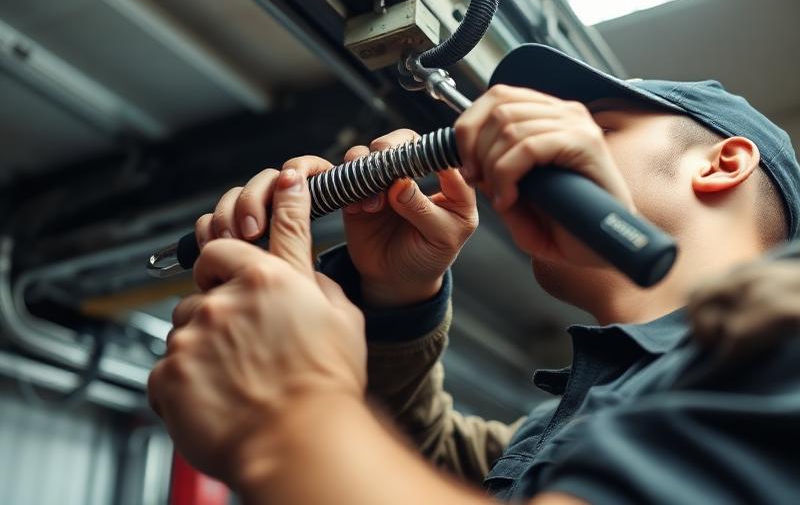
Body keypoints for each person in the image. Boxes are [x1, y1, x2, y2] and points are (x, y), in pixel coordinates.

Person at [148, 44, 800, 504]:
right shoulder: (559, 432)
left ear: (723, 162)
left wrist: (284, 413)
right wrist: (397, 296)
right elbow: (414, 465)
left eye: (601, 124)